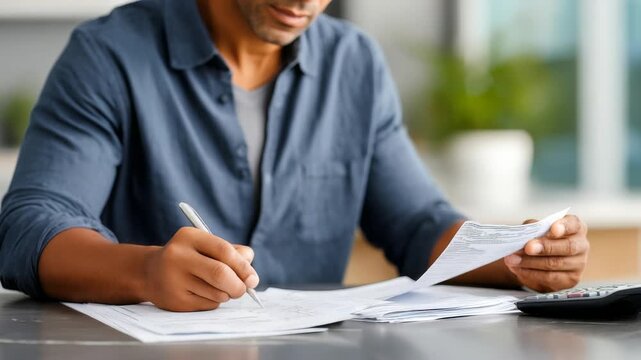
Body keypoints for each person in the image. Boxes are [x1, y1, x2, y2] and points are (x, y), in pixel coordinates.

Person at [0, 0, 589, 312]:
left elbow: (416, 225)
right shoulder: (110, 55)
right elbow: (30, 226)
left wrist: (514, 257)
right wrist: (146, 272)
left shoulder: (353, 64)